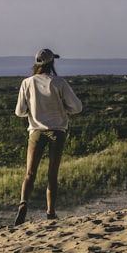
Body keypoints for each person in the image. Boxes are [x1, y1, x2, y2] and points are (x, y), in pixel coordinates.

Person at [13, 48, 83, 225]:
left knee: (30, 172)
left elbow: (19, 111)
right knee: (52, 174)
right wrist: (62, 109)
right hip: (57, 131)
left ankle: (23, 203)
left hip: (36, 131)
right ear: (52, 63)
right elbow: (77, 107)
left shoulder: (27, 83)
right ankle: (50, 213)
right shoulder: (59, 82)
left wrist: (33, 112)